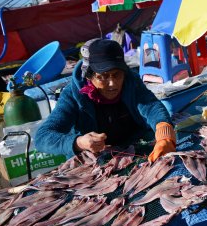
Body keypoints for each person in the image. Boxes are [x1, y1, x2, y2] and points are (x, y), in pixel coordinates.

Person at [35, 39, 175, 162]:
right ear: (89, 75)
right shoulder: (72, 95)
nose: (112, 83)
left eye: (116, 75)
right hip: (94, 161)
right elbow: (42, 137)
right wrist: (78, 142)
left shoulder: (131, 82)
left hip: (135, 148)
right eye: (103, 76)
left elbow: (151, 106)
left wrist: (164, 132)